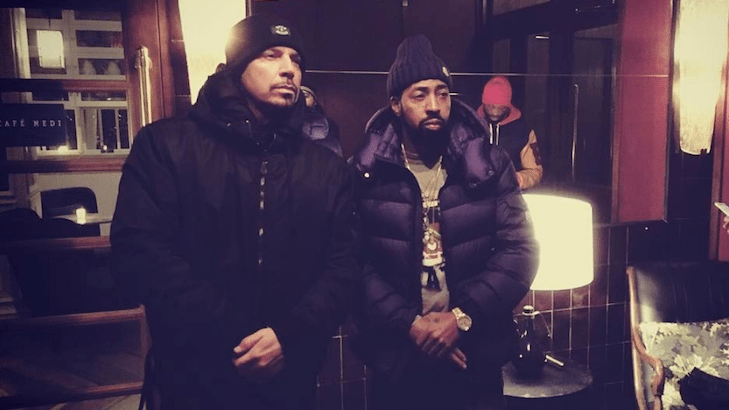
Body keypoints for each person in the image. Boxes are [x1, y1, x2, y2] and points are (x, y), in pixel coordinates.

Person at [110, 14, 359, 410]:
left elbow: (344, 265)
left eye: (296, 59)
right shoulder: (166, 147)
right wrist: (235, 337)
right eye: (271, 55)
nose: (289, 69)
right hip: (193, 375)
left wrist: (289, 336)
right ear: (237, 66)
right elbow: (141, 252)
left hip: (288, 376)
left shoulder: (326, 168)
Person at [349, 35, 539, 410]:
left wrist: (461, 318)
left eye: (442, 93)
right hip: (398, 359)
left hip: (476, 354)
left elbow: (520, 251)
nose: (434, 105)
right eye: (419, 95)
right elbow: (352, 262)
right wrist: (410, 325)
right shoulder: (366, 172)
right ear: (395, 104)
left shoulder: (487, 164)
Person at [477, 75, 543, 190]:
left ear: (508, 106)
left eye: (500, 108)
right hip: (476, 194)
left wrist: (517, 179)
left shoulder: (523, 131)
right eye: (491, 106)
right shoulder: (471, 126)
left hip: (510, 193)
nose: (495, 113)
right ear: (484, 104)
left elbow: (535, 171)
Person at [300, 85, 343, 156]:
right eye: (298, 97)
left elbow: (335, 149)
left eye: (305, 96)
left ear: (315, 101)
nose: (301, 99)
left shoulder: (330, 124)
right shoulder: (286, 123)